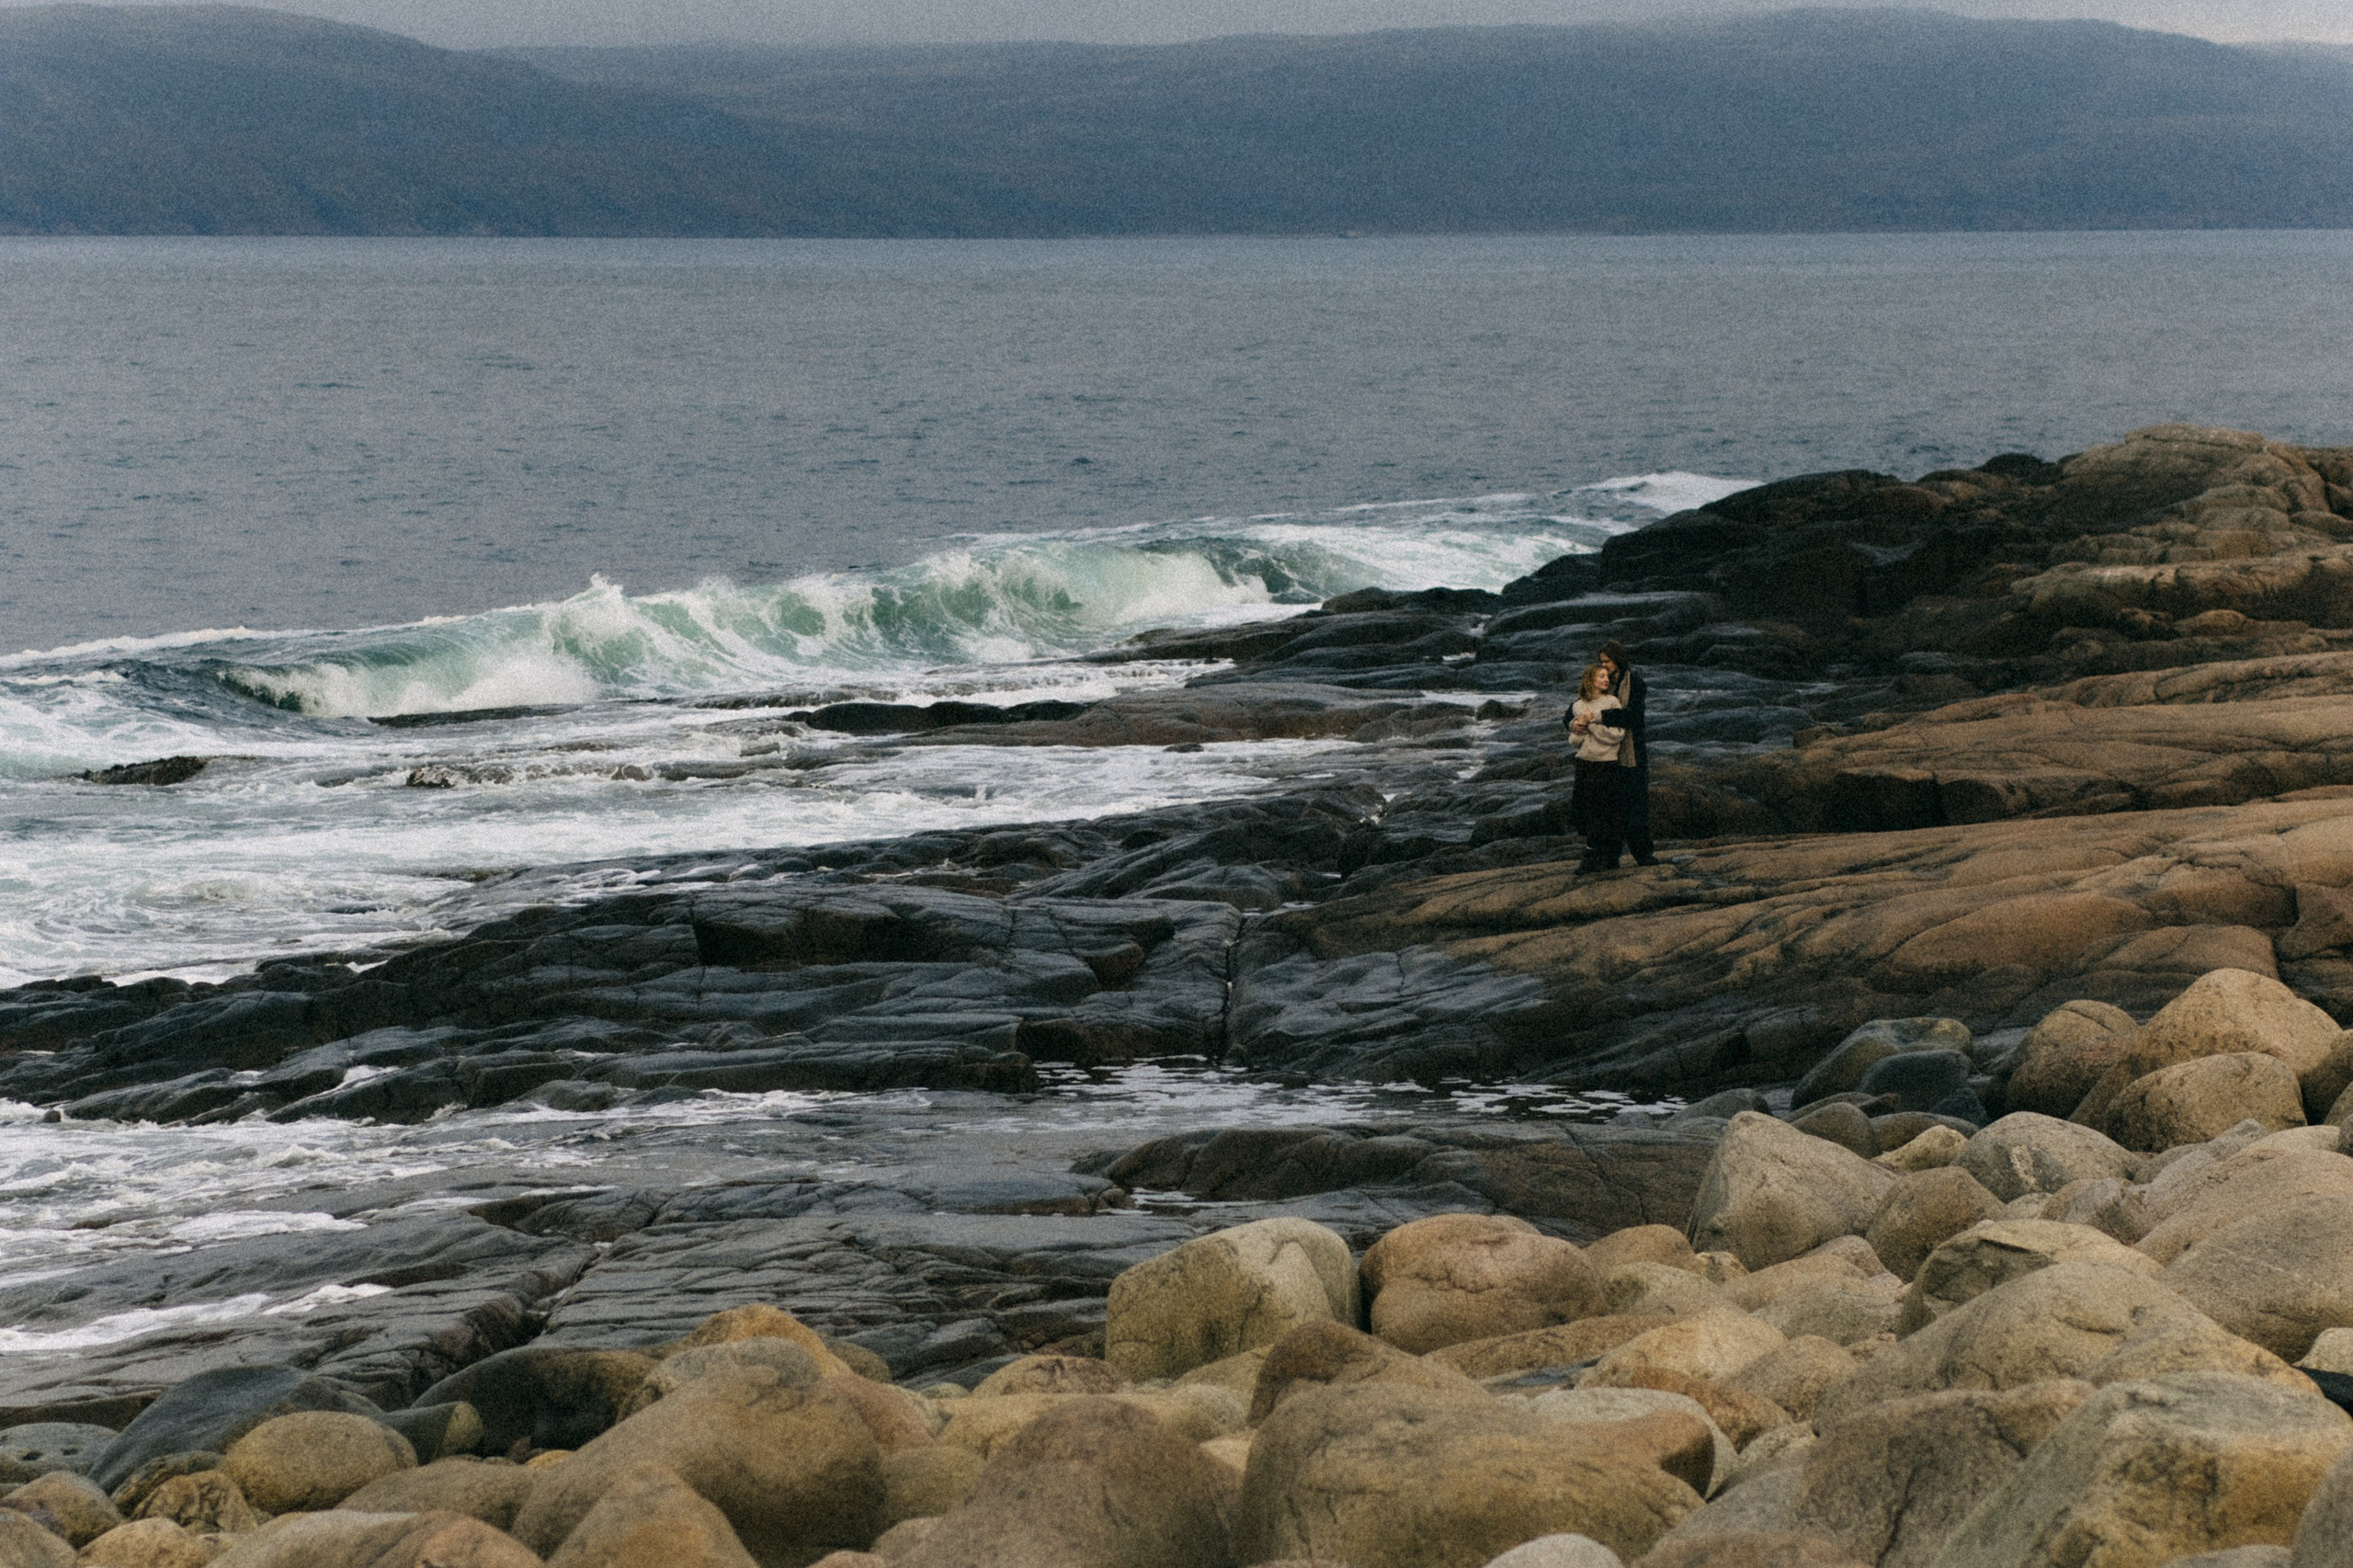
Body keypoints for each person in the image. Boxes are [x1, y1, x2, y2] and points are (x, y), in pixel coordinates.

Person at [1596, 638, 1657, 866]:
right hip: (1605, 756)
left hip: (1632, 756)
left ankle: (1643, 855)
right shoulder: (1599, 684)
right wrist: (1574, 722)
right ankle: (1610, 858)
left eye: (1607, 661)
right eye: (1601, 661)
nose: (1604, 666)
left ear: (1618, 660)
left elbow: (1634, 717)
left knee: (1635, 806)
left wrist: (1601, 717)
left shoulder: (1636, 684)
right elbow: (1578, 707)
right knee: (1609, 809)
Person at [1564, 664, 1630, 871]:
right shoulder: (1578, 705)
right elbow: (1574, 741)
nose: (1606, 679)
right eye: (1601, 676)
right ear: (1590, 680)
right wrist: (1579, 725)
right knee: (1589, 812)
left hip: (1606, 763)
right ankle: (1594, 856)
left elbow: (1616, 735)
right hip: (1585, 763)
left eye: (1607, 676)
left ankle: (1606, 857)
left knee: (1606, 811)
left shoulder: (1612, 702)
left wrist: (1592, 725)